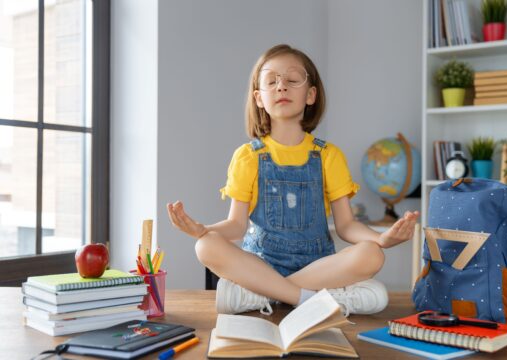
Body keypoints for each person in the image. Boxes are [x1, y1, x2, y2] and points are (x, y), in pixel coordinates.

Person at [167, 44, 419, 316]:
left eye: (292, 79)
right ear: (259, 98)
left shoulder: (328, 155)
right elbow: (236, 226)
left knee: (372, 254)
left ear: (310, 95)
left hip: (317, 268)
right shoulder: (247, 157)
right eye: (271, 81)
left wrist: (382, 239)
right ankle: (305, 298)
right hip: (260, 265)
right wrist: (201, 229)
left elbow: (346, 226)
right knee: (205, 245)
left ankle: (263, 294)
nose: (281, 87)